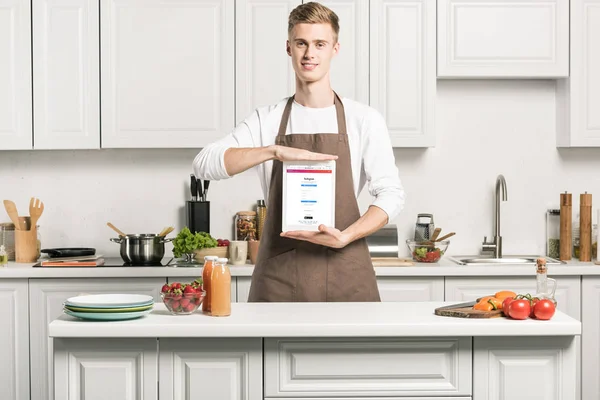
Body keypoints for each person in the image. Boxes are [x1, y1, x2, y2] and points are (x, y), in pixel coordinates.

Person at [193, 1, 405, 302]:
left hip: (346, 267)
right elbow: (204, 164)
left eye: (320, 44)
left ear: (335, 49)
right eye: (301, 43)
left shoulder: (364, 119)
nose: (310, 54)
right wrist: (274, 151)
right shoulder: (267, 119)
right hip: (280, 274)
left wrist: (346, 236)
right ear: (289, 47)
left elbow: (392, 194)